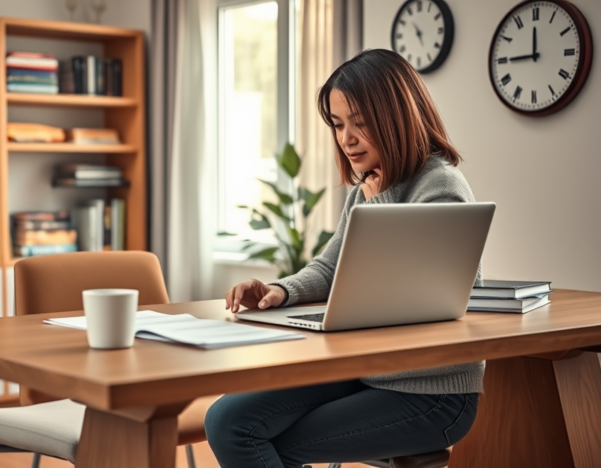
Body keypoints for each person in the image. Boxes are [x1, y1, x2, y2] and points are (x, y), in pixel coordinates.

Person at [204, 49, 481, 467]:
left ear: (397, 115)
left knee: (258, 440)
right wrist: (279, 291)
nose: (346, 138)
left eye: (360, 123)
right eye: (337, 124)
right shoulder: (370, 185)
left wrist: (379, 201)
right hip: (368, 372)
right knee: (227, 419)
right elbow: (334, 266)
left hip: (433, 392)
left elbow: (417, 295)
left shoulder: (440, 186)